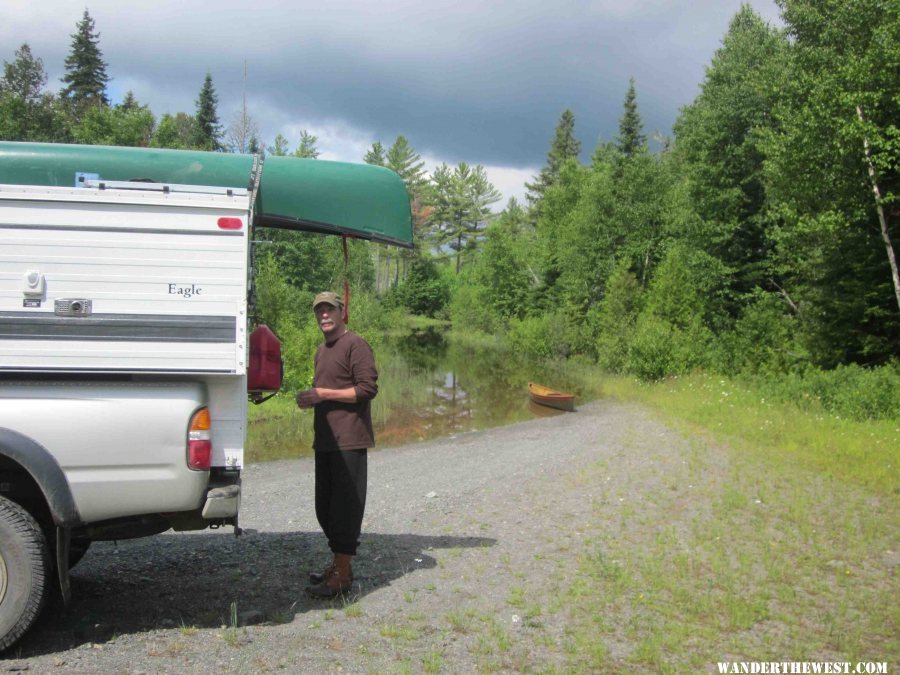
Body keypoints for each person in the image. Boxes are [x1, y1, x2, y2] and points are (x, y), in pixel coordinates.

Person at [295, 291, 378, 598]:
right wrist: (312, 398)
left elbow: (367, 388)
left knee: (344, 510)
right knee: (325, 509)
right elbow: (326, 390)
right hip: (326, 440)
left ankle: (342, 574)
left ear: (342, 312)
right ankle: (339, 564)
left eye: (329, 310)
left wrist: (324, 394)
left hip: (350, 439)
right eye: (319, 311)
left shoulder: (355, 344)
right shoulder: (322, 350)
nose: (323, 316)